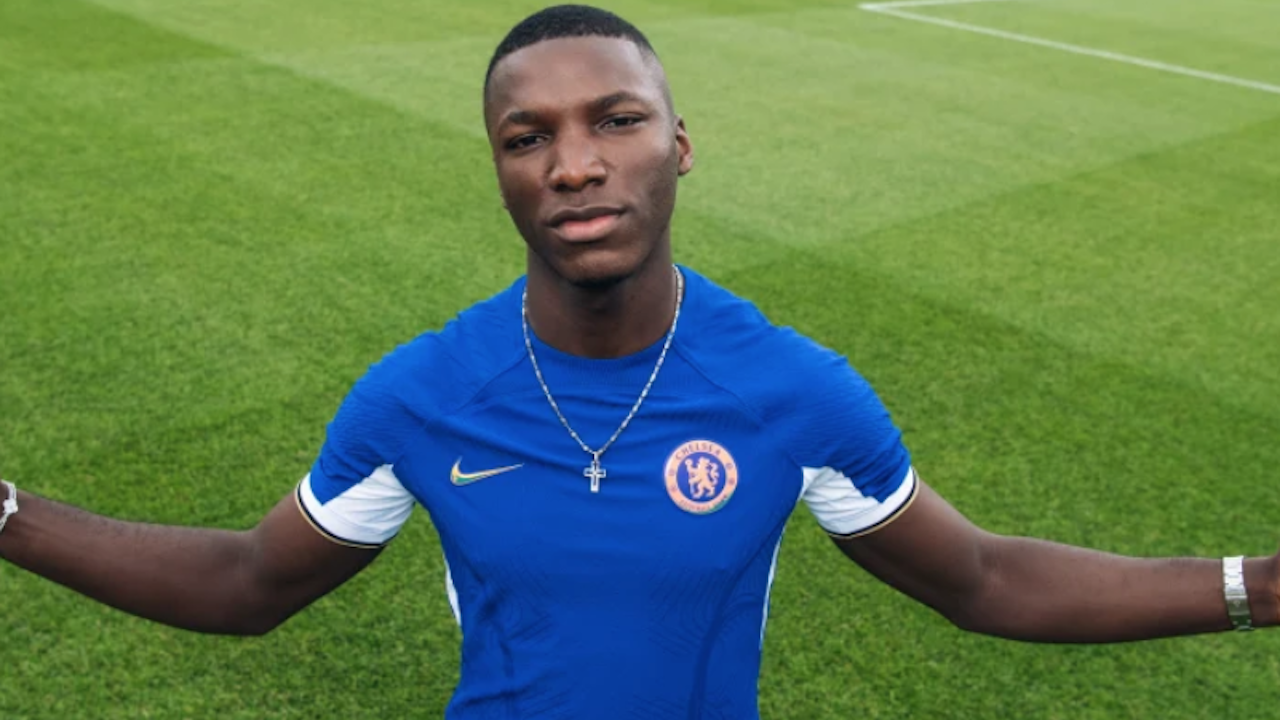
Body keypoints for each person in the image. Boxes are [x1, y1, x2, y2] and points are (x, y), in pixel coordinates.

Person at [0, 4, 1275, 718]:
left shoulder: (791, 391)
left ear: (678, 146)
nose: (573, 164)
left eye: (615, 121)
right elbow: (245, 582)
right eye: (527, 137)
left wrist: (1252, 587)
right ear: (500, 172)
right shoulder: (423, 396)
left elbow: (983, 579)